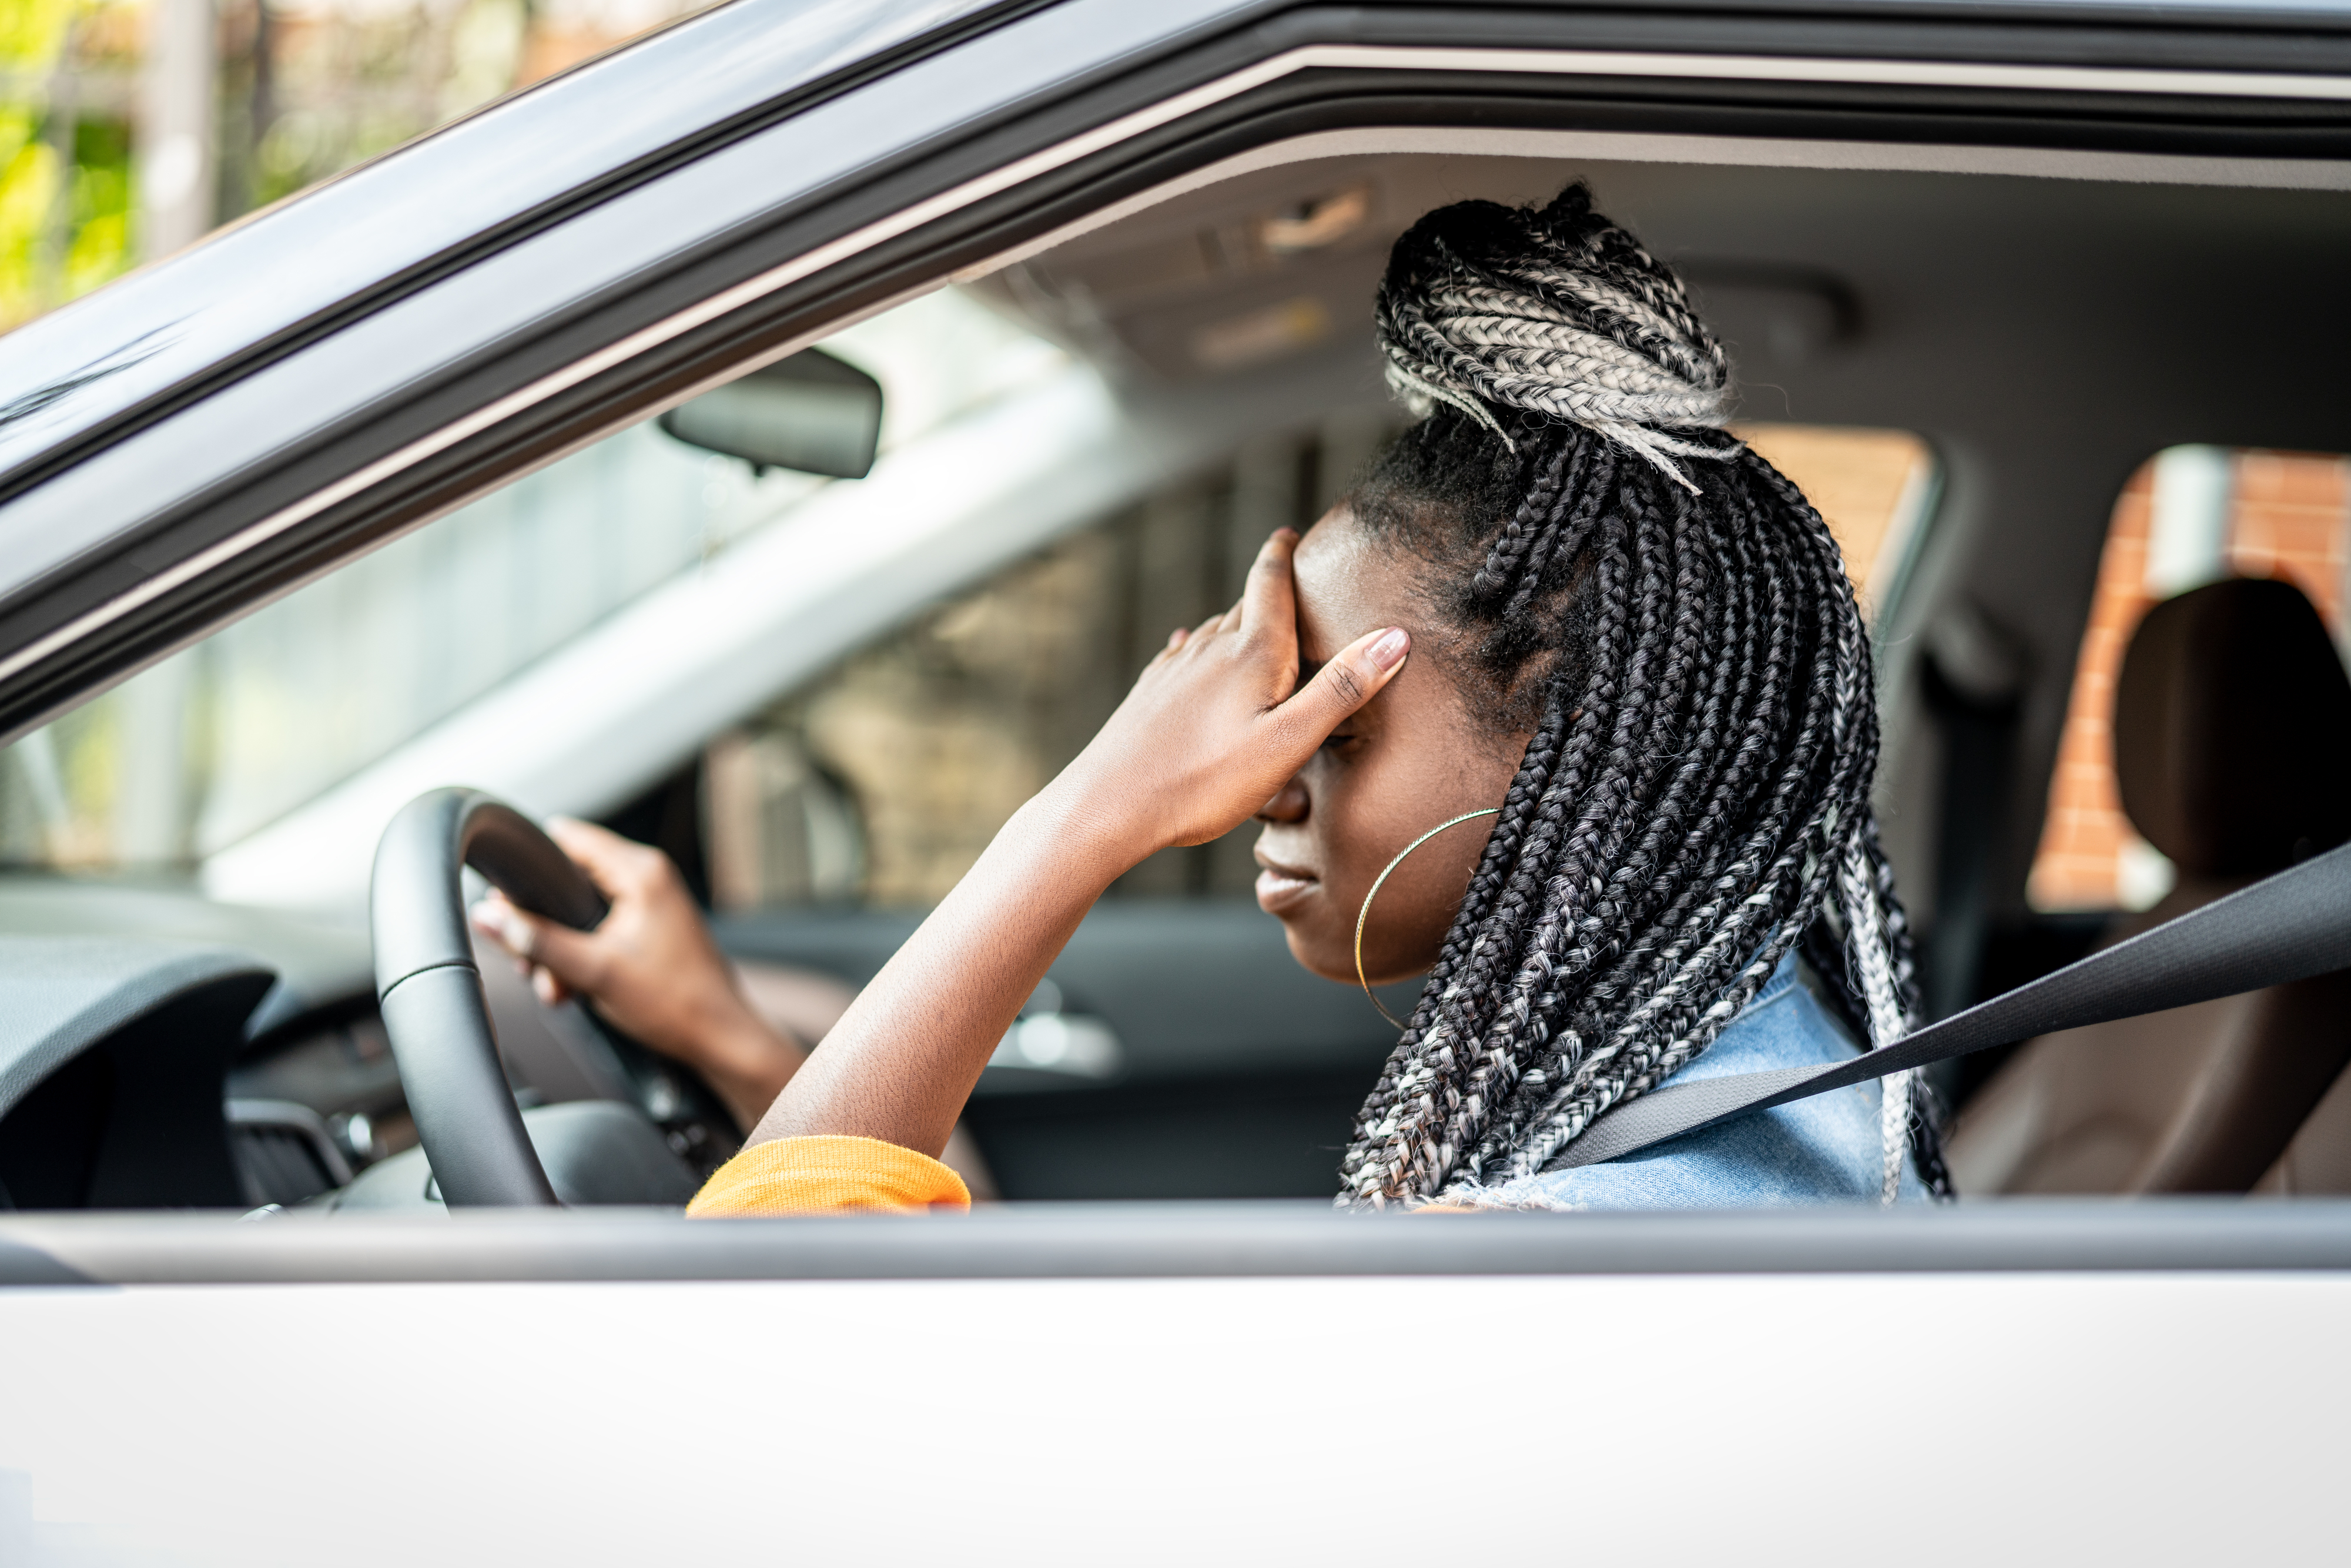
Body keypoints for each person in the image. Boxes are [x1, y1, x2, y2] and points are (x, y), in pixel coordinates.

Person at [474, 185, 1942, 1212]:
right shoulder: (1734, 1089)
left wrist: (1086, 816)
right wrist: (736, 1042)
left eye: (1329, 722)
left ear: (1580, 752)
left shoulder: (1577, 1257)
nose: (1259, 782)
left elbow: (747, 1339)